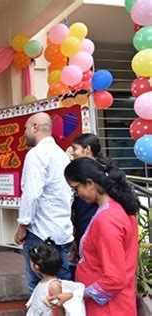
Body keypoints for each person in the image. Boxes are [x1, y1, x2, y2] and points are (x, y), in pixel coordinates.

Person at [49, 157, 139, 315]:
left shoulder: (108, 219)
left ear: (90, 183)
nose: (77, 194)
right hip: (114, 303)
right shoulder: (118, 209)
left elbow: (114, 278)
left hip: (109, 308)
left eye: (76, 189)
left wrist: (76, 295)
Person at [14, 112, 73, 292]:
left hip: (40, 233)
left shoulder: (36, 154)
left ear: (35, 127)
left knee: (39, 287)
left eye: (25, 128)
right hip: (62, 231)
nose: (24, 133)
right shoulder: (61, 154)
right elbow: (68, 193)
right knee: (62, 286)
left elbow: (31, 194)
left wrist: (23, 226)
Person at [68, 133, 108, 278]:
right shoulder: (80, 171)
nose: (72, 152)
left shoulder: (101, 173)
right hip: (82, 223)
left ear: (87, 149)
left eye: (75, 148)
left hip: (91, 223)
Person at [26, 238, 64, 316]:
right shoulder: (43, 281)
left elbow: (60, 308)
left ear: (36, 267)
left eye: (31, 261)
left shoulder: (54, 286)